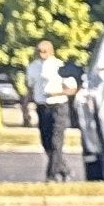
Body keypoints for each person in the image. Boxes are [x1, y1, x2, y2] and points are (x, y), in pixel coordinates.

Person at [23, 41, 73, 180]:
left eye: (44, 51)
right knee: (46, 142)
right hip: (42, 107)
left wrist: (57, 93)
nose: (41, 54)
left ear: (51, 51)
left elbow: (71, 88)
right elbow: (30, 88)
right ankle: (64, 169)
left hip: (58, 105)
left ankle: (51, 175)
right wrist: (25, 107)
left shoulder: (59, 66)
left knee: (56, 141)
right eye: (39, 51)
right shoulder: (33, 67)